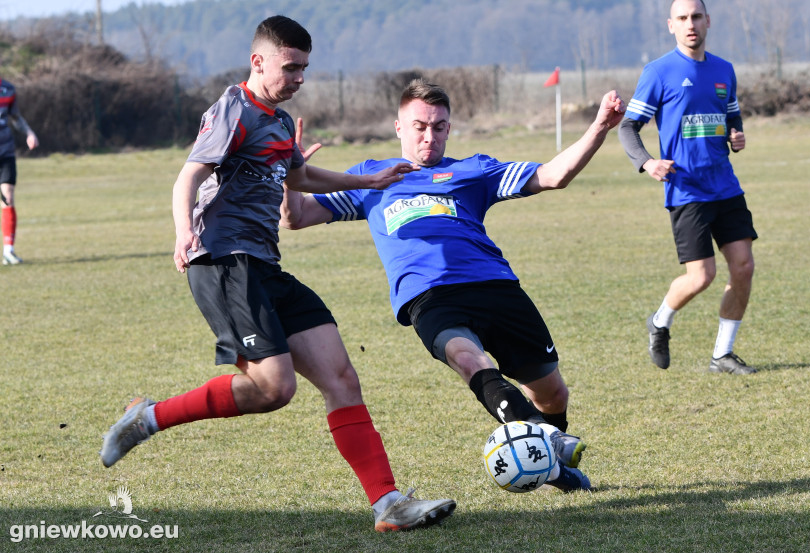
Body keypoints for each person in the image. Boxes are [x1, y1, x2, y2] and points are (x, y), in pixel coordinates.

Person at [99, 16, 455, 533]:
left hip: (265, 265)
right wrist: (183, 232)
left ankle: (389, 504)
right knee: (274, 389)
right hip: (223, 263)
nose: (299, 78)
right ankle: (148, 417)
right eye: (291, 67)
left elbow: (299, 175)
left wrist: (369, 179)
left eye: (305, 68)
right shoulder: (234, 110)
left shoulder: (280, 122)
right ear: (258, 61)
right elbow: (189, 175)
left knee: (340, 376)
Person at [281, 79, 626, 492]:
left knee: (552, 394)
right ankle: (549, 441)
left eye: (439, 127)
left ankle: (551, 453)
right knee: (468, 359)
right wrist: (290, 171)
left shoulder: (473, 170)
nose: (430, 135)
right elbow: (295, 217)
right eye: (420, 126)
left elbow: (553, 176)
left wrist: (600, 127)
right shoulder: (370, 178)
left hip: (497, 287)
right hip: (428, 296)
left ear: (449, 127)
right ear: (398, 127)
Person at [619, 0, 757, 375]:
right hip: (686, 190)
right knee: (702, 276)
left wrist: (735, 134)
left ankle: (722, 355)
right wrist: (647, 162)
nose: (690, 24)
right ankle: (660, 321)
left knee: (743, 267)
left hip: (725, 186)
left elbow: (730, 114)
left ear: (708, 21)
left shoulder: (724, 70)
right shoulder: (659, 72)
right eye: (682, 18)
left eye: (696, 16)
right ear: (671, 25)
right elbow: (628, 127)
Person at [0, 76, 40, 265]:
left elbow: (15, 117)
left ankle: (8, 251)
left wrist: (29, 133)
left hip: (5, 152)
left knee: (7, 197)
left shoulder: (8, 89)